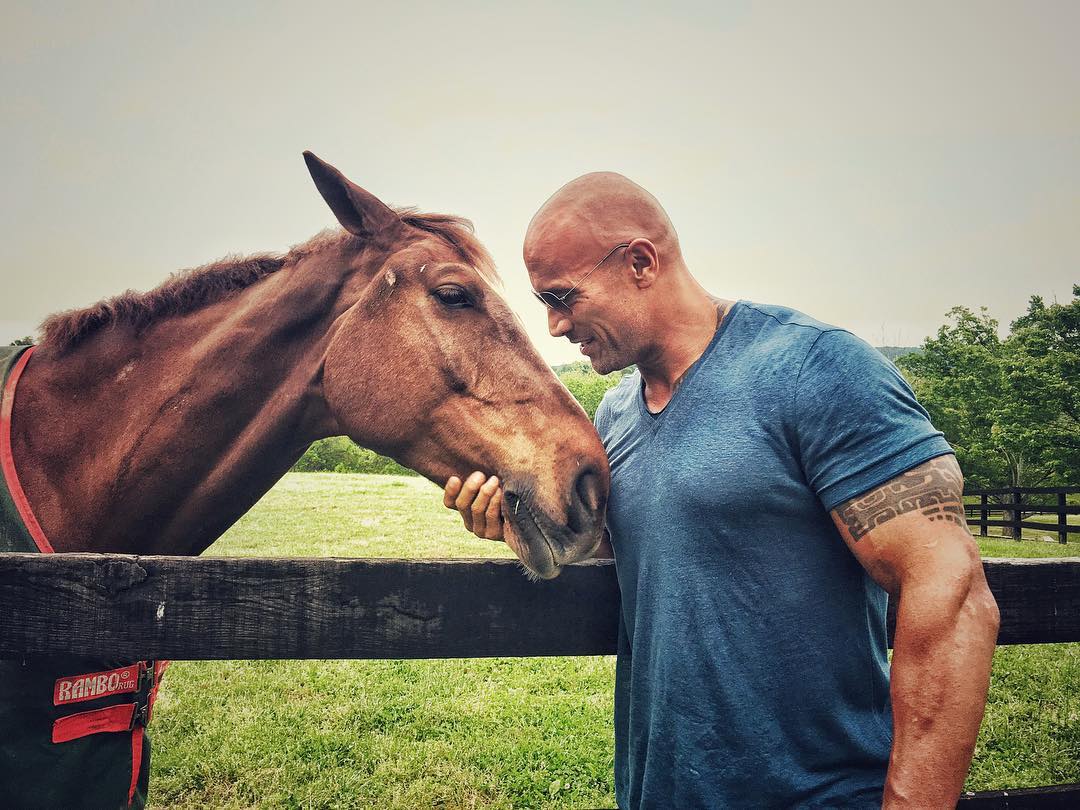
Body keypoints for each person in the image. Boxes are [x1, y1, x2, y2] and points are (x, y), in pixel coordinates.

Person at [444, 172, 1000, 808]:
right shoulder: (615, 414)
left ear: (640, 262)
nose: (554, 325)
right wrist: (521, 525)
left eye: (563, 297)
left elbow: (951, 592)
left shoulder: (815, 369)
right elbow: (642, 552)